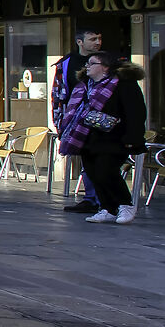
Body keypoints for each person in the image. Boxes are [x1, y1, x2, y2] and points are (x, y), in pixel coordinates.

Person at [77, 54, 148, 225]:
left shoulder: (123, 84)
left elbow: (136, 112)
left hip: (114, 137)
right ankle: (108, 208)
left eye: (92, 63)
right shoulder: (86, 85)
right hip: (89, 136)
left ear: (105, 67)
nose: (88, 66)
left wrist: (133, 138)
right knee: (93, 172)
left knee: (106, 170)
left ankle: (125, 204)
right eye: (87, 63)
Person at [52, 27, 109, 212]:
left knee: (100, 158)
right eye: (93, 38)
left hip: (102, 119)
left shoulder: (107, 62)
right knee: (87, 158)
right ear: (80, 42)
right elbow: (59, 93)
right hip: (77, 119)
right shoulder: (67, 63)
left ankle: (103, 200)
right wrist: (60, 121)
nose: (97, 42)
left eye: (99, 38)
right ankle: (91, 198)